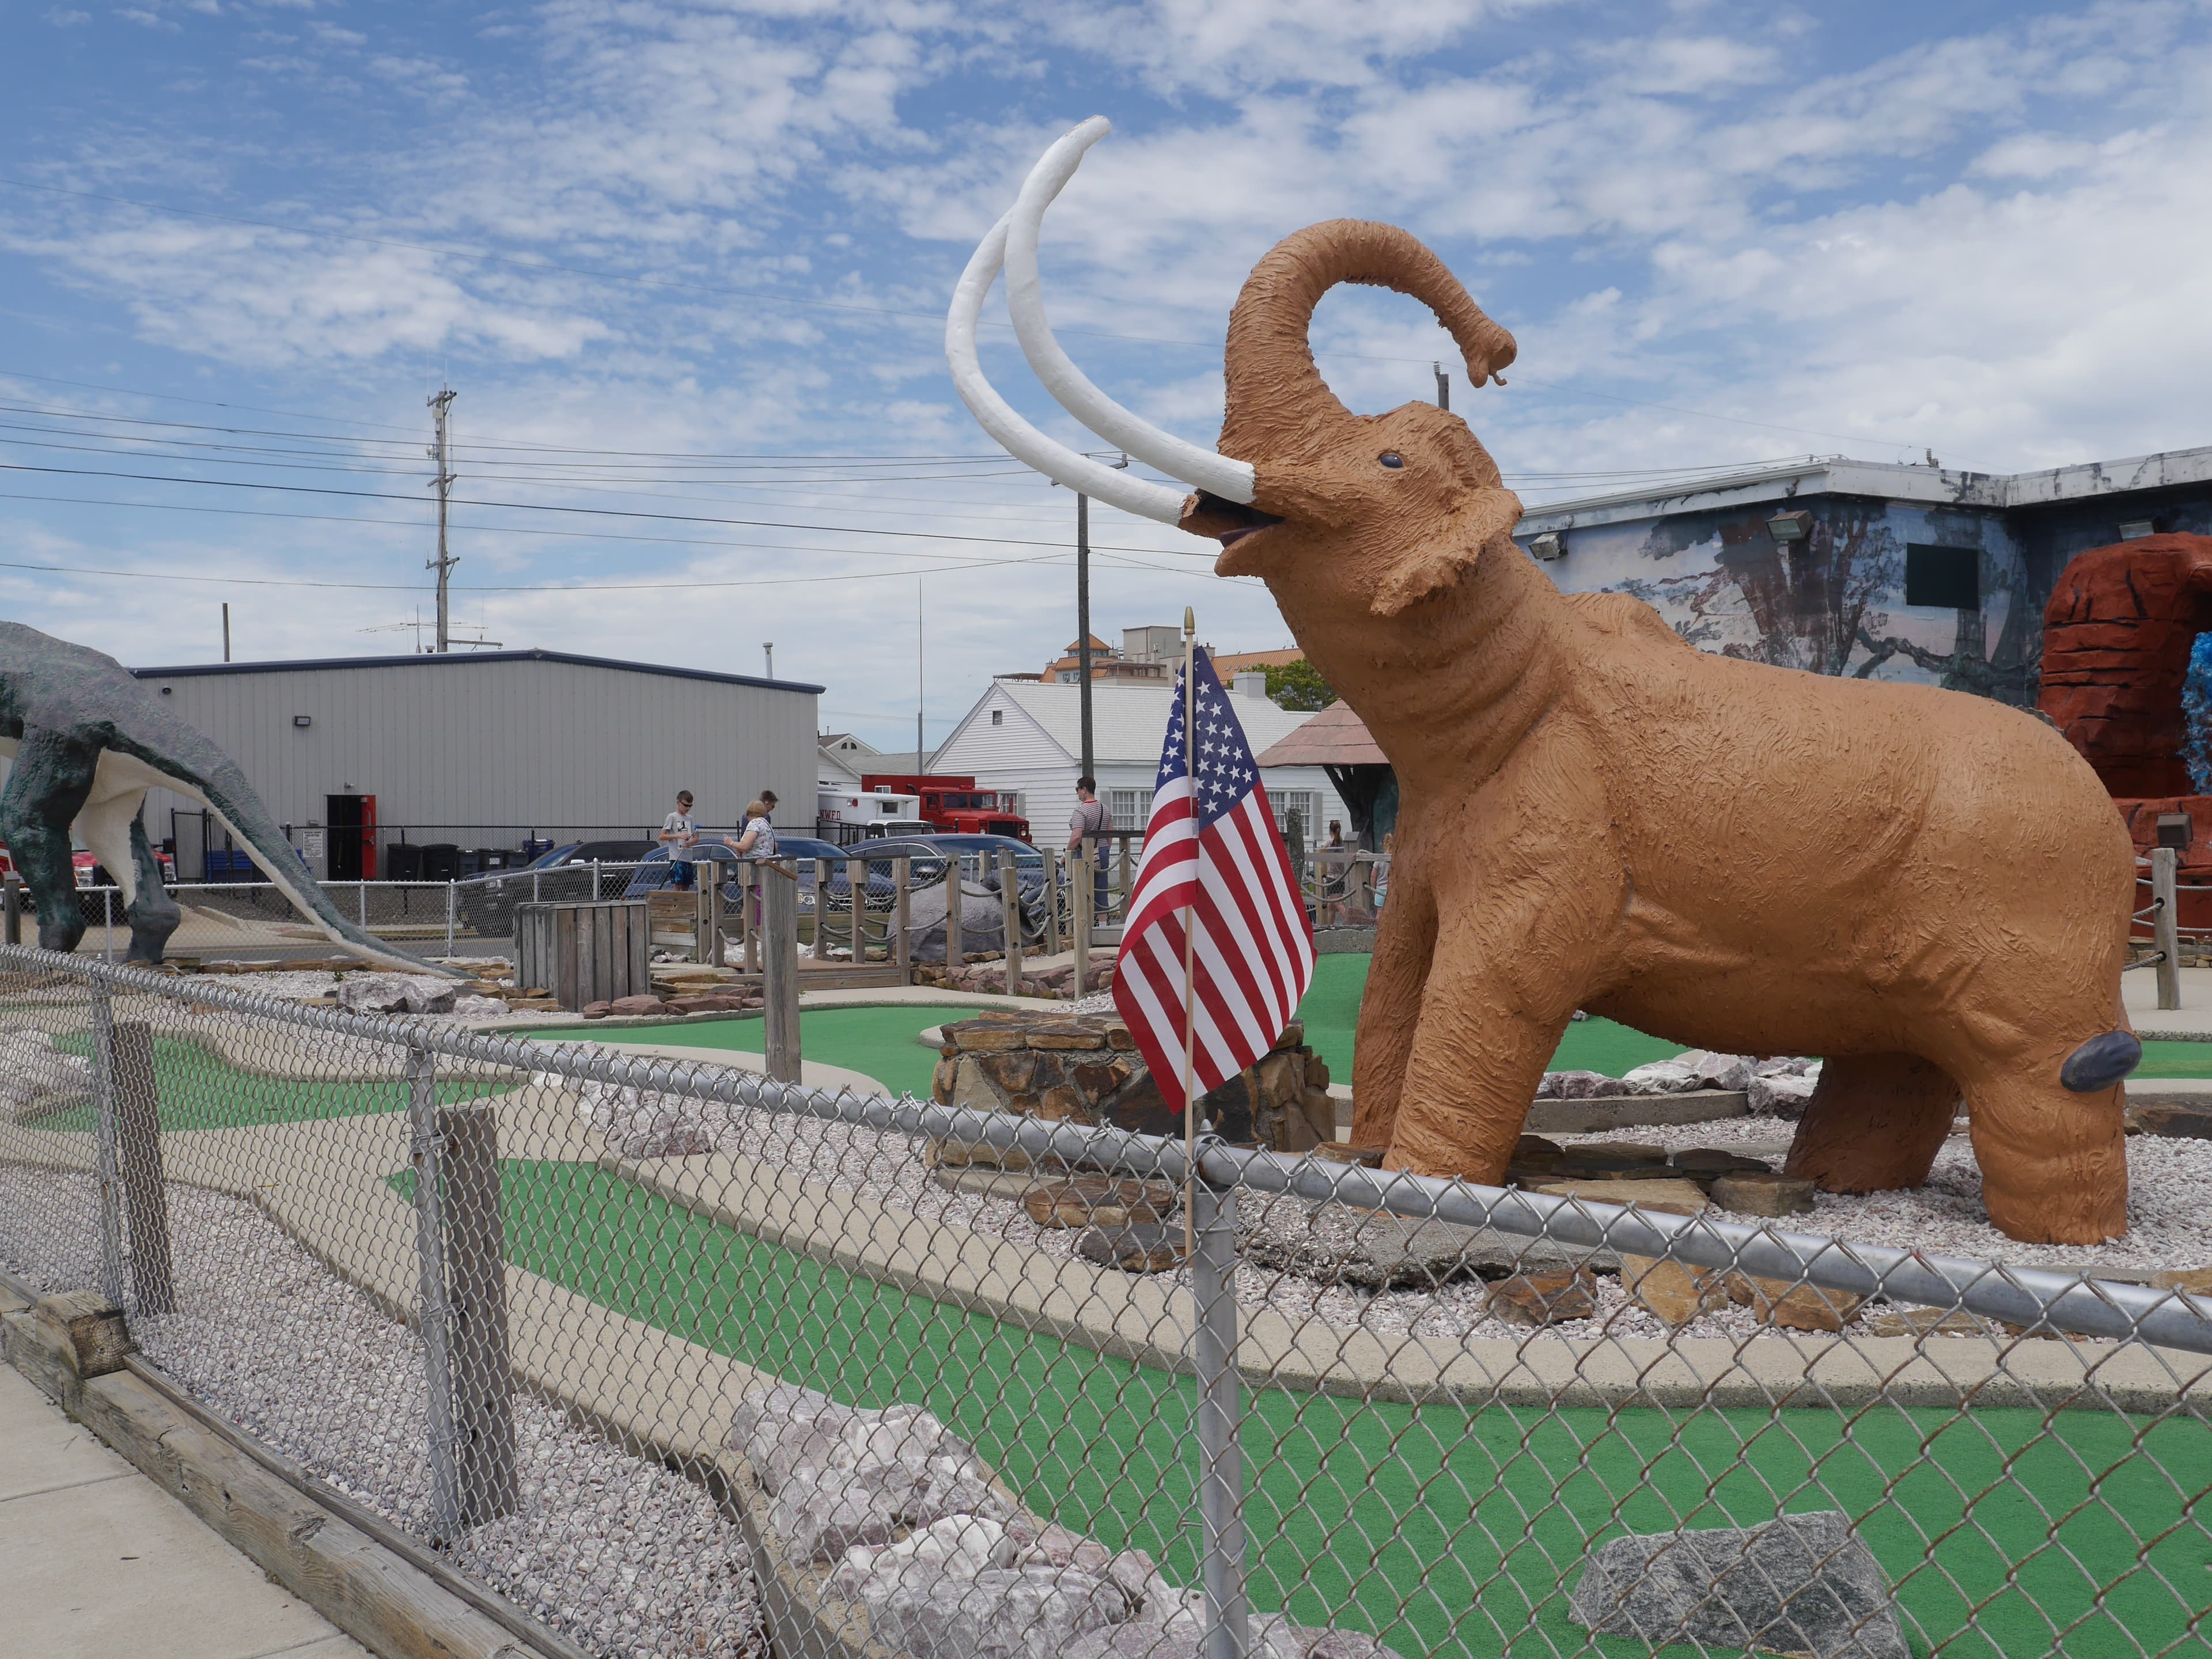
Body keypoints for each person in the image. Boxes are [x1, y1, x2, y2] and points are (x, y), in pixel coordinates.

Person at [1067, 777, 1110, 925]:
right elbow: (1110, 832)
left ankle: (1084, 925)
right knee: (1101, 890)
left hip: (1085, 853)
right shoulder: (1105, 808)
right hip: (1103, 851)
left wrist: (1066, 854)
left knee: (1082, 890)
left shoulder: (1081, 810)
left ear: (1084, 790)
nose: (1078, 793)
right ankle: (1104, 926)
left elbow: (1077, 835)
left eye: (1077, 790)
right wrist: (1105, 849)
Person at [660, 790, 699, 889]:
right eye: (686, 805)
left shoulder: (690, 818)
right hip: (677, 857)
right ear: (678, 803)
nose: (688, 808)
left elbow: (696, 838)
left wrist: (690, 842)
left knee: (687, 885)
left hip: (688, 857)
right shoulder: (672, 817)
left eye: (690, 806)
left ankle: (684, 905)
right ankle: (676, 905)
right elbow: (662, 836)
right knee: (678, 885)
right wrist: (678, 836)